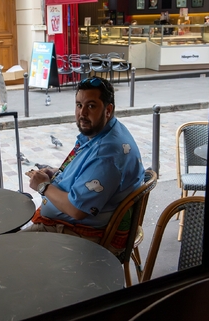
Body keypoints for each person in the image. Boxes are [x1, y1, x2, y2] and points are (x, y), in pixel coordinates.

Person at [23, 77, 145, 254]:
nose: (82, 113)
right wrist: (57, 172)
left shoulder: (106, 154)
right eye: (79, 105)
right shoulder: (108, 131)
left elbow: (77, 209)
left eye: (91, 106)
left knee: (8, 252)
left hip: (80, 234)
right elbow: (89, 170)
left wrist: (43, 187)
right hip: (74, 225)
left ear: (108, 110)